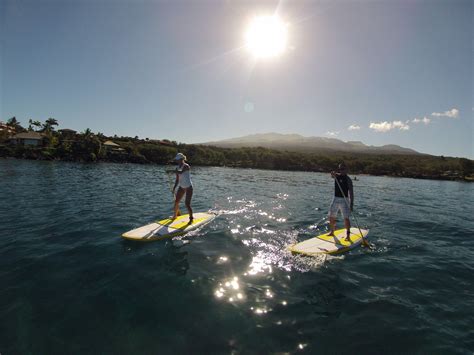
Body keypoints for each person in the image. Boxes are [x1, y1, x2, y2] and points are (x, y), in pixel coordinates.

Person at [328, 162, 354, 241]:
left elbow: (351, 193)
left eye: (342, 169)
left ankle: (348, 235)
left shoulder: (348, 180)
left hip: (344, 199)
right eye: (339, 169)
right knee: (331, 216)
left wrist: (351, 204)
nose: (340, 170)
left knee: (346, 218)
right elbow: (332, 175)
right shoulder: (336, 176)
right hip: (335, 198)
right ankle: (332, 231)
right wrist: (332, 173)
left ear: (346, 170)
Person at [172, 153, 193, 222]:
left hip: (189, 187)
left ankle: (191, 218)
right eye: (176, 160)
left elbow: (181, 172)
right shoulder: (177, 168)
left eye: (178, 160)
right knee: (176, 201)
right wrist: (174, 188)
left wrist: (170, 171)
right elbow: (177, 179)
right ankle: (175, 216)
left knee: (187, 204)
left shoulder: (186, 166)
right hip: (181, 187)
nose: (177, 161)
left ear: (181, 159)